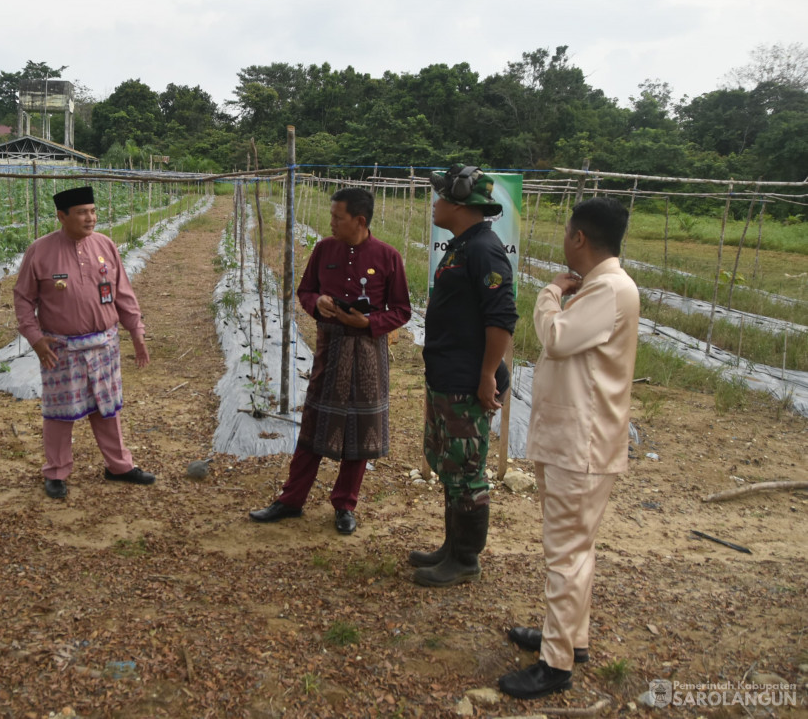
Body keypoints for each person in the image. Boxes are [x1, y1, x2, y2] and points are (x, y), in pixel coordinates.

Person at [498, 197, 640, 699]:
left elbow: (555, 337)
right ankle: (569, 638)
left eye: (566, 232)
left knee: (566, 554)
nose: (563, 239)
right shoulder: (602, 286)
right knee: (575, 549)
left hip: (581, 446)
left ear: (579, 238)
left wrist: (549, 293)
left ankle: (555, 665)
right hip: (572, 441)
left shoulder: (610, 290)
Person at [249, 187, 411, 535]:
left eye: (338, 217)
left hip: (368, 351)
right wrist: (317, 302)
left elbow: (402, 310)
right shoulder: (324, 250)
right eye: (332, 216)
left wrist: (369, 323)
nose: (331, 222)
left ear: (360, 220)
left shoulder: (388, 256)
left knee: (360, 428)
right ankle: (291, 500)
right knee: (313, 423)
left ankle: (344, 505)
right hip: (331, 347)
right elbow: (305, 290)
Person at [411, 165, 517, 587]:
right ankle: (451, 547)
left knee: (467, 470)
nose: (434, 203)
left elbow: (501, 319)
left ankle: (466, 559)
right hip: (447, 375)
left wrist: (487, 374)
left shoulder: (484, 250)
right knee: (449, 464)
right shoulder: (460, 246)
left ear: (459, 203)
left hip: (467, 381)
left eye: (439, 197)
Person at [13, 185, 155, 499]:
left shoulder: (105, 245)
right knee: (60, 413)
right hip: (60, 349)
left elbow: (123, 293)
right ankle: (56, 472)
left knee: (108, 409)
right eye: (81, 213)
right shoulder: (40, 251)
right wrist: (35, 339)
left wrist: (137, 333)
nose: (90, 218)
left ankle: (119, 466)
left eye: (92, 211)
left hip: (104, 345)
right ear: (62, 216)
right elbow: (23, 299)